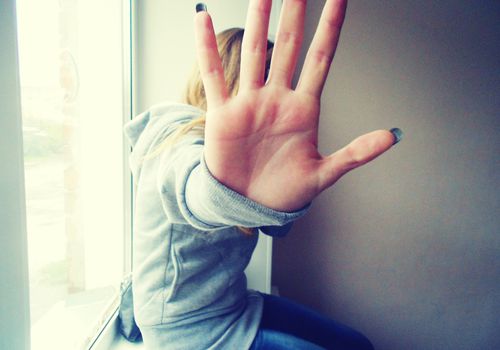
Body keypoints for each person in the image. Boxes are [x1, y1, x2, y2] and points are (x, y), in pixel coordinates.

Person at [124, 1, 401, 349]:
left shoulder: (258, 151)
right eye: (263, 71)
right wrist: (221, 188)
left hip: (233, 304)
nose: (273, 89)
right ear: (229, 72)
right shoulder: (173, 134)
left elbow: (275, 226)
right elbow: (192, 191)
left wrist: (275, 198)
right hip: (190, 332)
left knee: (357, 345)